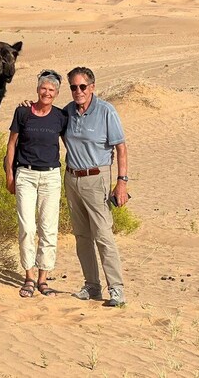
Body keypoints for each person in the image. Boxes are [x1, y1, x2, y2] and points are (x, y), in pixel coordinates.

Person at [62, 66, 128, 307]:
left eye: (82, 86)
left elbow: (121, 147)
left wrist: (121, 182)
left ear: (91, 87)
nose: (77, 91)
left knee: (102, 234)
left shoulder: (106, 111)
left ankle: (117, 289)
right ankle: (92, 286)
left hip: (96, 178)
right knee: (82, 236)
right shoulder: (68, 112)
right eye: (73, 87)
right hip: (71, 178)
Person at [5, 69, 67, 298]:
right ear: (37, 89)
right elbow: (12, 144)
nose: (47, 93)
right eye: (43, 88)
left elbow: (72, 142)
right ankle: (29, 277)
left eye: (51, 90)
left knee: (49, 229)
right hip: (26, 176)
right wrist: (9, 174)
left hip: (51, 177)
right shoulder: (22, 112)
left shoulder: (60, 117)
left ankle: (43, 278)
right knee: (27, 228)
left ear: (57, 93)